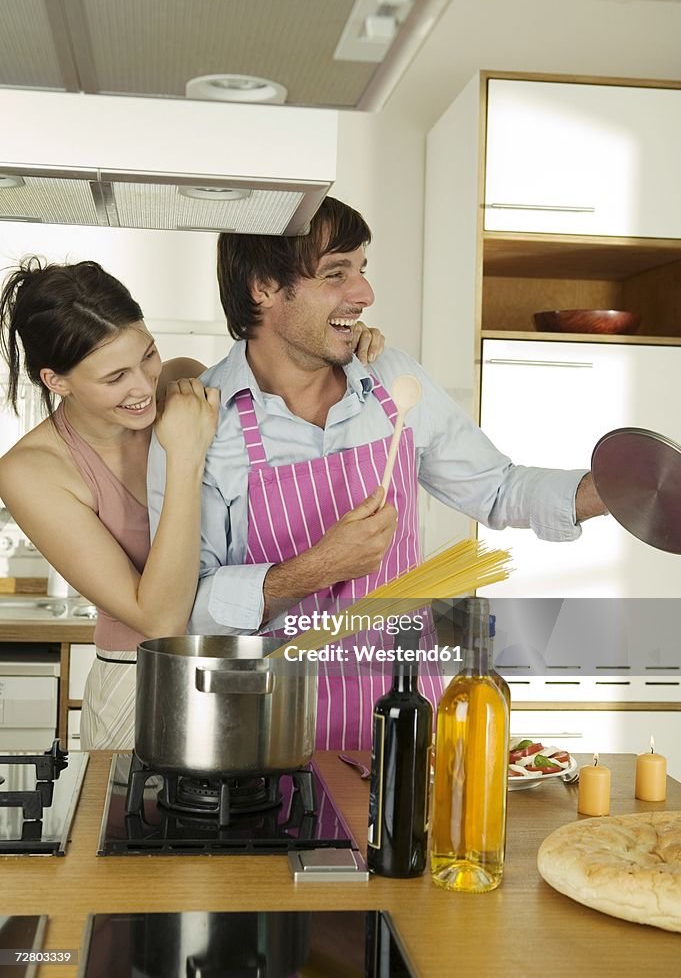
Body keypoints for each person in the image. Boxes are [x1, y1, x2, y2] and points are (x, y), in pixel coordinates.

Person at [147, 196, 606, 751]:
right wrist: (314, 569)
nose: (363, 294)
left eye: (361, 269)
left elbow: (498, 488)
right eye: (336, 272)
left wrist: (609, 491)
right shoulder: (202, 424)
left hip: (407, 713)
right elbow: (187, 615)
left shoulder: (392, 378)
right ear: (263, 286)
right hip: (266, 735)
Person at [0, 256, 387, 750]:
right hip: (141, 688)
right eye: (114, 377)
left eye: (147, 355)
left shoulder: (182, 381)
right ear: (57, 380)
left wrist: (340, 346)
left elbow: (278, 404)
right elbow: (161, 620)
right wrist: (182, 457)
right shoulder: (31, 470)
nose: (143, 387)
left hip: (242, 668)